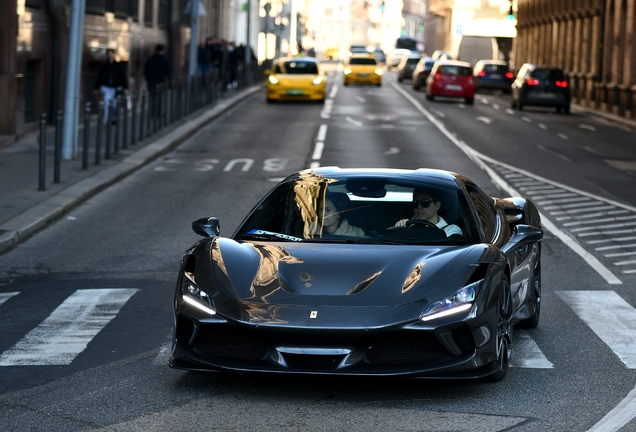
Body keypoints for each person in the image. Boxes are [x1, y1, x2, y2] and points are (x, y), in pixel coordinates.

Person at [395, 189, 462, 237]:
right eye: (415, 203)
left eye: (425, 203)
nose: (419, 207)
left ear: (437, 206)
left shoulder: (451, 231)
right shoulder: (404, 226)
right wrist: (400, 231)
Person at [94, 48, 128, 124]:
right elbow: (100, 77)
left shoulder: (118, 66)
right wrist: (96, 87)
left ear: (114, 55)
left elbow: (123, 76)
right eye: (108, 54)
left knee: (115, 104)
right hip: (106, 87)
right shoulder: (104, 66)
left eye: (111, 54)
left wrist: (125, 87)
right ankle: (107, 120)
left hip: (116, 88)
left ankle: (113, 119)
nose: (110, 55)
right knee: (107, 103)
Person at [143, 44, 172, 118]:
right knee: (159, 98)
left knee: (152, 97)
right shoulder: (163, 60)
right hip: (160, 81)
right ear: (162, 51)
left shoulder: (150, 59)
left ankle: (152, 113)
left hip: (151, 81)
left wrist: (149, 78)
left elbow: (145, 71)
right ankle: (157, 113)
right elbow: (168, 70)